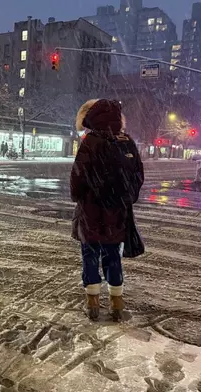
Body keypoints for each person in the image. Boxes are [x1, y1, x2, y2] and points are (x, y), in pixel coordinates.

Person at [70, 99, 144, 322]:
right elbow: (138, 176)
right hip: (117, 213)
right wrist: (125, 198)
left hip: (91, 212)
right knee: (113, 256)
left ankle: (93, 301)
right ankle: (116, 302)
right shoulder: (126, 141)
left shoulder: (91, 142)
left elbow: (77, 179)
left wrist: (81, 198)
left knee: (90, 255)